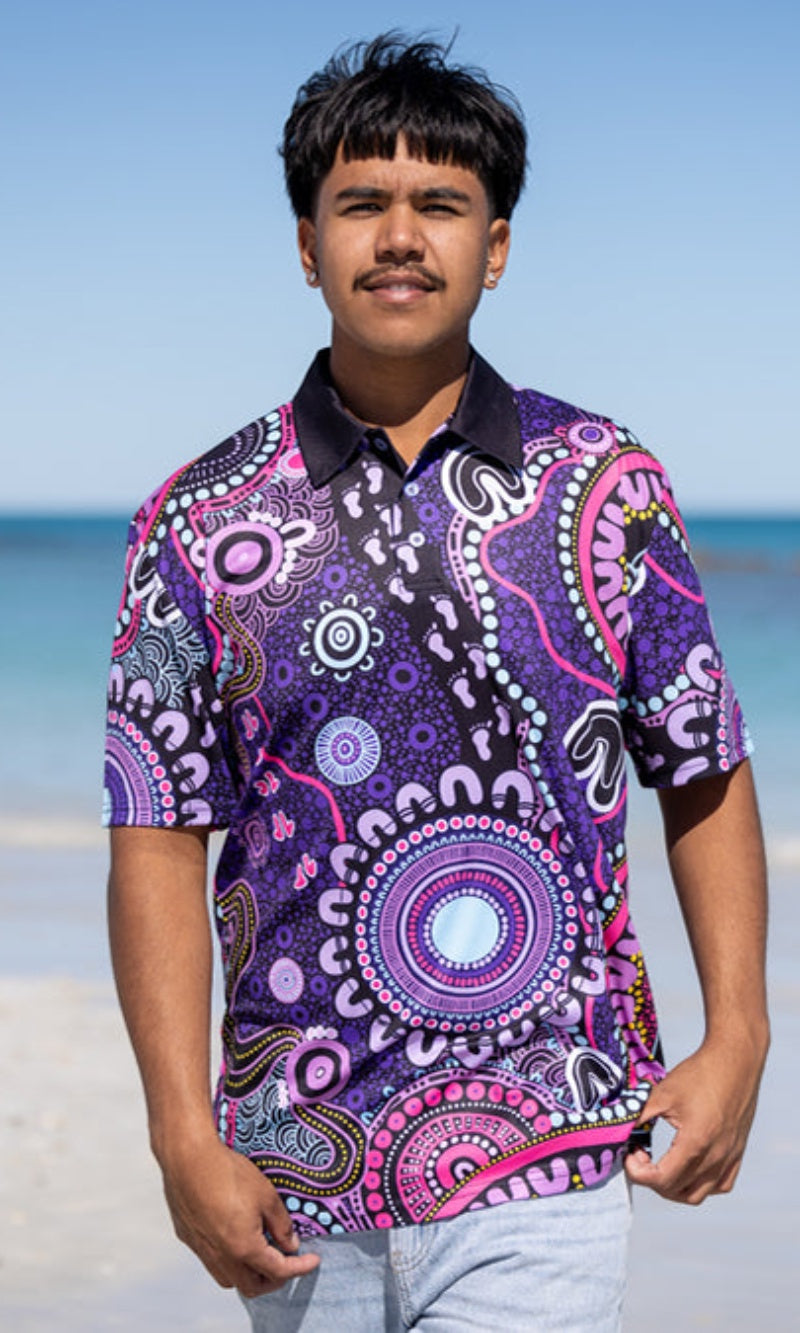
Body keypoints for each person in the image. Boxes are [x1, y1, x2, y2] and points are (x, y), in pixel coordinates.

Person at [104, 34, 769, 1332]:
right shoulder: (200, 520)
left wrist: (739, 1034)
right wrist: (180, 1133)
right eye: (361, 203)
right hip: (295, 1178)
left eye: (441, 205)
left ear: (496, 245)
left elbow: (701, 763)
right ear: (307, 244)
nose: (400, 237)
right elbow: (157, 833)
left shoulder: (604, 488)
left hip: (551, 1154)